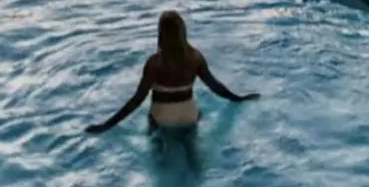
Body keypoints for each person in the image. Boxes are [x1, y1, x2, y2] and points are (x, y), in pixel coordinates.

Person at [85, 10, 259, 134]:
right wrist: (238, 98)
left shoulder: (154, 63)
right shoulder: (195, 57)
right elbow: (215, 86)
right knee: (193, 146)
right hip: (189, 115)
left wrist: (106, 125)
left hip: (162, 118)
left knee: (157, 145)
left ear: (160, 34)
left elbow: (137, 99)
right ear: (183, 32)